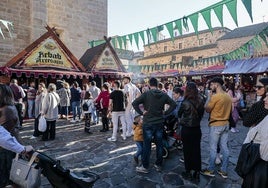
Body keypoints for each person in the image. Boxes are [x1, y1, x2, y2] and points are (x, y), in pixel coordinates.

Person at [132, 77, 176, 173]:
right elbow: (173, 104)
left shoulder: (146, 94)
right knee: (159, 144)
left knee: (147, 145)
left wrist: (141, 112)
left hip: (148, 123)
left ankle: (145, 166)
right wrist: (165, 112)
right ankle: (158, 164)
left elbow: (134, 103)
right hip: (159, 123)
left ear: (149, 84)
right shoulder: (163, 95)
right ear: (157, 84)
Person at [201, 77, 232, 179]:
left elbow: (207, 109)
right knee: (224, 147)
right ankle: (224, 170)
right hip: (226, 124)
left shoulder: (216, 97)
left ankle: (210, 169)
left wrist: (209, 97)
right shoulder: (227, 96)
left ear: (216, 84)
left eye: (211, 85)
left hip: (216, 125)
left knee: (213, 148)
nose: (210, 87)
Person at [240, 87, 268, 188]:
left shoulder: (259, 105)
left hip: (259, 162)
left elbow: (264, 152)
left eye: (259, 87)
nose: (265, 99)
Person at [178, 82, 205, 180]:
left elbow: (179, 113)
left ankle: (188, 170)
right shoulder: (201, 100)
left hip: (187, 129)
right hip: (196, 129)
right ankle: (197, 171)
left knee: (187, 151)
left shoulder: (185, 102)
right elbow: (201, 114)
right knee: (196, 150)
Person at [0, 84, 22, 187]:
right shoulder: (5, 108)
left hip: (7, 151)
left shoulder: (7, 110)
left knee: (7, 177)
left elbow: (3, 134)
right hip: (6, 148)